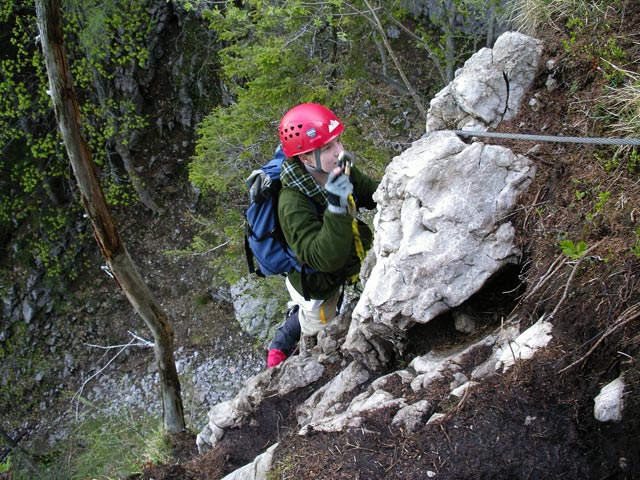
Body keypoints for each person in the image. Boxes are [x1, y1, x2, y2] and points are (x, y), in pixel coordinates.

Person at [267, 103, 379, 368]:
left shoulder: (336, 170)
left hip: (346, 261)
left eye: (338, 141)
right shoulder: (291, 203)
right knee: (320, 331)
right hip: (316, 283)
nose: (340, 151)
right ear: (305, 158)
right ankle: (287, 336)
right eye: (328, 148)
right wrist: (337, 205)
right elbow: (323, 259)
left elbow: (373, 193)